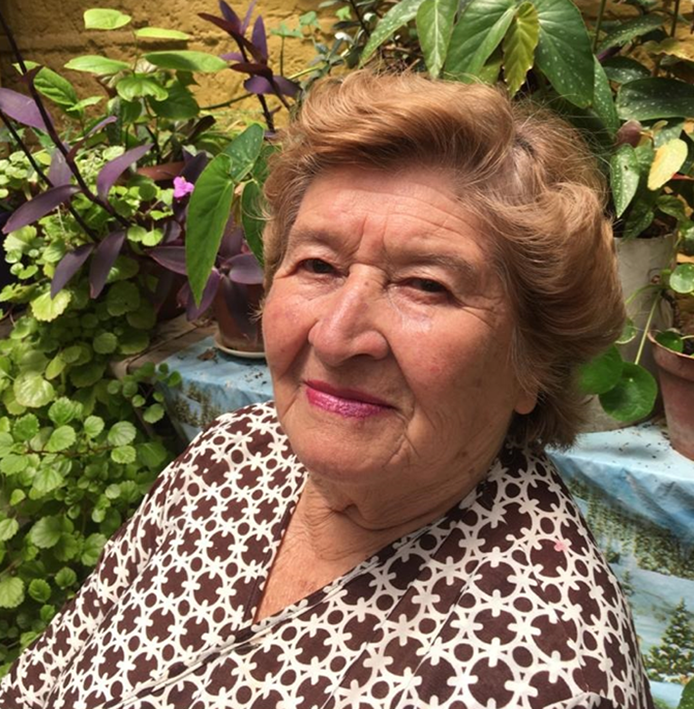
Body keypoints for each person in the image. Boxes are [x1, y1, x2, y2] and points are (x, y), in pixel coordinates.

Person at [0, 71, 653, 708]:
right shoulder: (234, 452)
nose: (337, 337)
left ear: (534, 360)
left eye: (426, 285)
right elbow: (44, 675)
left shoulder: (540, 671)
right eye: (318, 265)